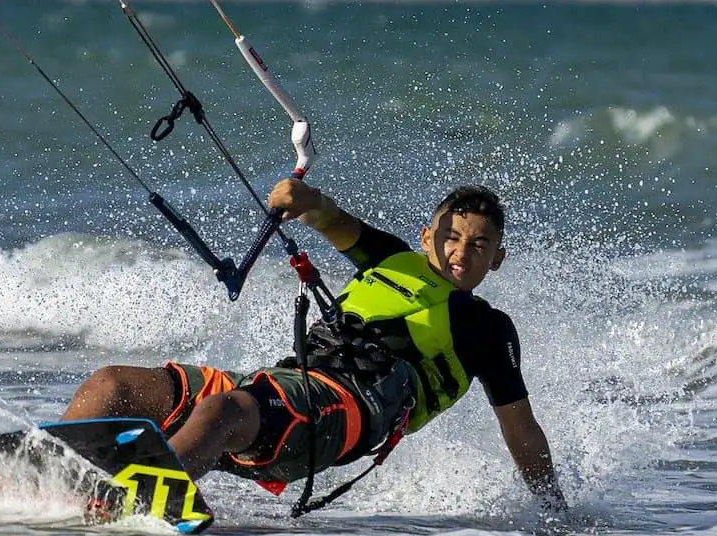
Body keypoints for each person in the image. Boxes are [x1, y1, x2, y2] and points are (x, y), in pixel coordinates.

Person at [61, 178, 568, 513]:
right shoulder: (390, 257)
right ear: (426, 235)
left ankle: (141, 501)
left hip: (346, 417)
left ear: (496, 259)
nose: (461, 252)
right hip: (287, 388)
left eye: (478, 246)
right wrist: (300, 198)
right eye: (451, 237)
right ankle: (55, 480)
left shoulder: (487, 329)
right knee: (113, 385)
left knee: (221, 412)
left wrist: (553, 514)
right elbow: (328, 217)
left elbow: (521, 431)